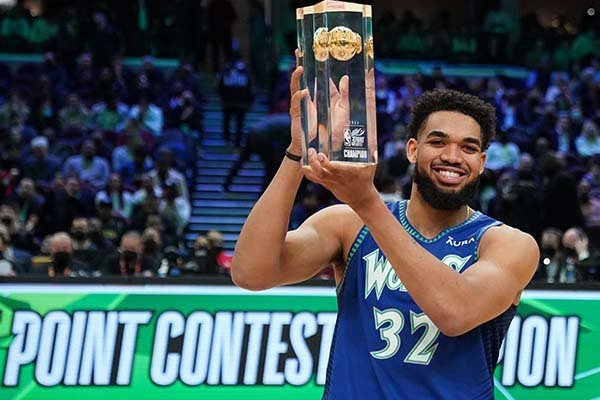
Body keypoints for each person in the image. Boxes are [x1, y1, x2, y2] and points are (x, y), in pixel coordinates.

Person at [232, 63, 539, 399]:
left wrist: (367, 202)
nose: (452, 156)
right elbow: (251, 272)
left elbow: (455, 313)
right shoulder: (349, 225)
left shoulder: (506, 243)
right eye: (438, 142)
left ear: (481, 163)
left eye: (468, 148)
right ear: (412, 150)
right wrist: (298, 151)